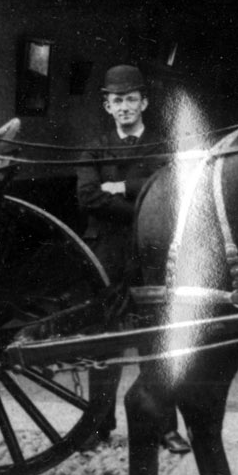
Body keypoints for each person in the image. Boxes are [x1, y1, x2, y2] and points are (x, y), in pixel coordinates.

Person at [76, 63, 190, 454]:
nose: (124, 107)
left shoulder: (163, 147)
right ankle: (98, 425)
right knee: (105, 342)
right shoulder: (93, 147)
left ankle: (164, 428)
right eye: (116, 101)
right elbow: (87, 197)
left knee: (156, 339)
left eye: (130, 99)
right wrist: (144, 204)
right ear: (107, 106)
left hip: (151, 255)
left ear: (143, 102)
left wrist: (121, 186)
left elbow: (171, 192)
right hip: (106, 254)